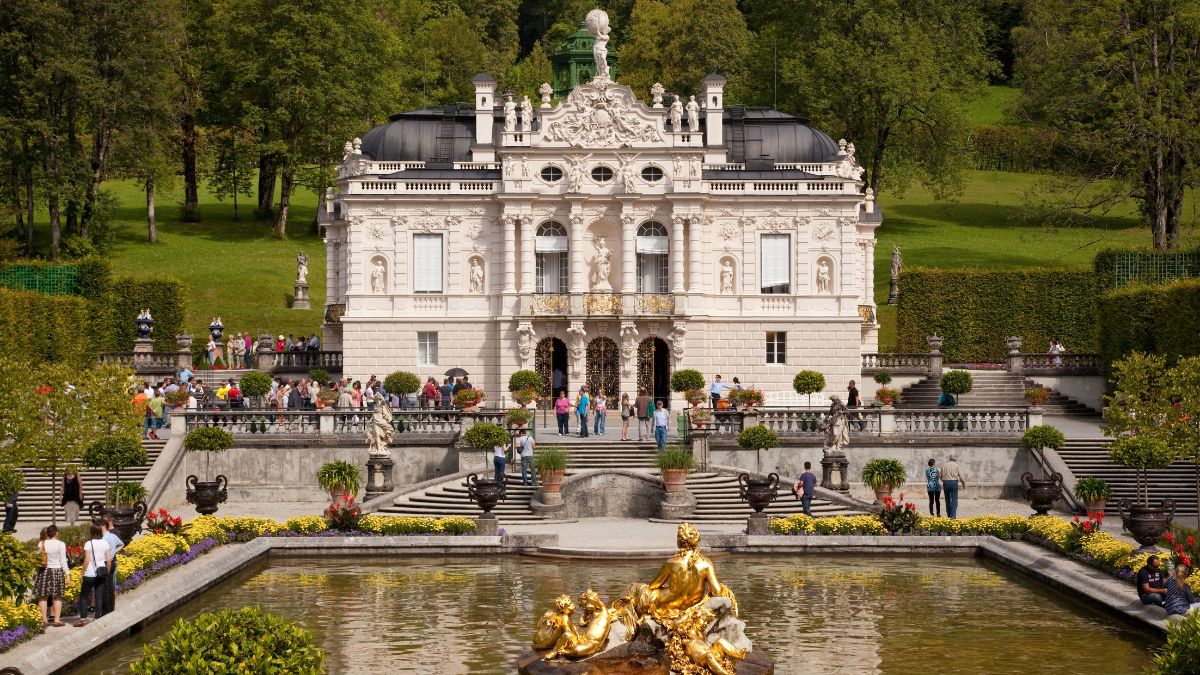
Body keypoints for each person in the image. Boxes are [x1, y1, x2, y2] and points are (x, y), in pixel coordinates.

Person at [75, 524, 111, 626]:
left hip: (89, 573)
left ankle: (83, 619)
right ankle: (97, 618)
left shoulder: (88, 543)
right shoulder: (105, 543)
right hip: (101, 573)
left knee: (84, 596)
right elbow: (109, 560)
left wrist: (82, 572)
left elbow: (86, 561)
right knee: (99, 596)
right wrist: (107, 572)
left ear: (91, 532)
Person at [36, 525, 69, 628]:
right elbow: (63, 561)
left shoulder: (42, 543)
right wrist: (67, 574)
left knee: (43, 596)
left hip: (44, 571)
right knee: (58, 596)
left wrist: (36, 572)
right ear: (56, 533)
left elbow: (37, 559)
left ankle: (44, 620)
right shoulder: (61, 544)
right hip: (57, 571)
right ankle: (56, 620)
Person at [99, 517, 123, 612]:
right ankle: (111, 608)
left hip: (106, 562)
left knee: (105, 587)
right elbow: (121, 544)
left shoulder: (104, 538)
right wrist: (114, 552)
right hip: (112, 562)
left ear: (103, 526)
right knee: (110, 586)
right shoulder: (112, 536)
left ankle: (106, 610)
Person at [941, 454, 967, 519]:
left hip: (945, 482)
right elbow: (961, 476)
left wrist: (943, 480)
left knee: (947, 499)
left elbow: (940, 475)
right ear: (955, 459)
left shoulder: (944, 465)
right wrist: (963, 484)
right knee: (954, 499)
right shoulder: (957, 465)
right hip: (954, 482)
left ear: (949, 458)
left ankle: (949, 515)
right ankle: (953, 515)